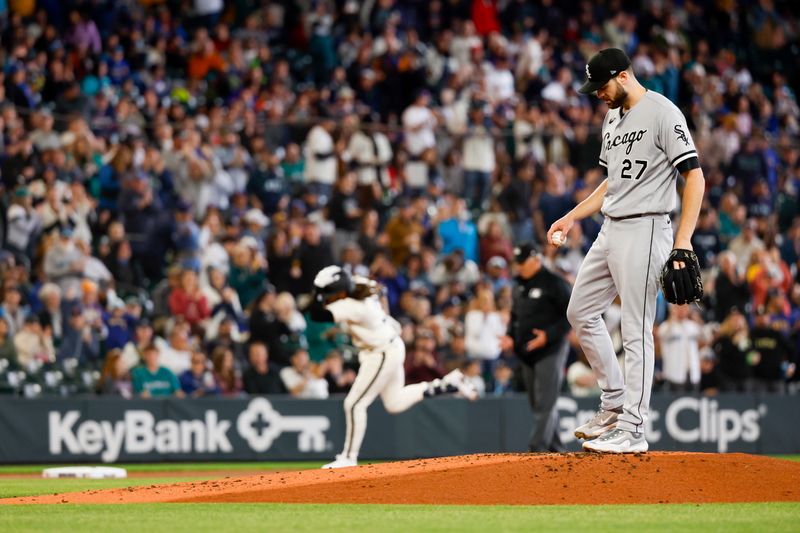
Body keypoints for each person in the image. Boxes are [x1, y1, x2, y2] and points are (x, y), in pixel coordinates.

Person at [548, 48, 706, 453]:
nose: (596, 94)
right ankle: (615, 401)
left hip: (648, 226)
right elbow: (611, 184)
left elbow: (695, 176)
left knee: (635, 330)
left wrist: (683, 240)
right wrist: (571, 217)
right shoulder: (611, 118)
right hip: (611, 227)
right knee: (579, 310)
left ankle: (634, 430)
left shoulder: (663, 112)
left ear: (621, 76)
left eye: (600, 86)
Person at [309, 265, 476, 469]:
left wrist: (317, 292)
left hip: (381, 352)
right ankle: (448, 384)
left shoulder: (353, 305)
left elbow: (317, 314)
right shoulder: (361, 285)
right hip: (390, 343)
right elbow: (381, 290)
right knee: (394, 403)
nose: (328, 297)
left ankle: (348, 457)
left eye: (330, 292)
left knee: (354, 404)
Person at [500, 243, 571, 452]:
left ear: (536, 260)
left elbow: (572, 314)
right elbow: (515, 316)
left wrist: (548, 336)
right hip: (526, 353)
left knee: (545, 403)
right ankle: (557, 449)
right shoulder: (519, 285)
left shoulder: (555, 283)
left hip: (551, 350)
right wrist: (509, 337)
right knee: (537, 404)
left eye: (522, 263)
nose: (518, 267)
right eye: (517, 263)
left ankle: (536, 449)